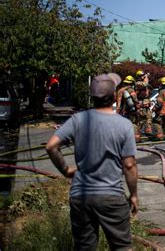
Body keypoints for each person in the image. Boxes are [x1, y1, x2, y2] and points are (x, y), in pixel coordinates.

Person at [45, 73, 138, 250]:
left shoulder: (78, 119)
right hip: (111, 196)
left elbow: (51, 146)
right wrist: (133, 195)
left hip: (81, 197)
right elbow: (129, 165)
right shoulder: (124, 125)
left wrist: (66, 170)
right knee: (122, 247)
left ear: (93, 97)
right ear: (113, 97)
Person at [116, 75, 141, 142]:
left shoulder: (120, 90)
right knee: (133, 123)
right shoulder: (130, 90)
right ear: (132, 82)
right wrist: (138, 106)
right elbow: (135, 100)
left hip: (121, 111)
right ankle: (136, 138)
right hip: (130, 111)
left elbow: (118, 102)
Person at [135, 70, 153, 135]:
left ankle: (148, 131)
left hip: (146, 103)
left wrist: (149, 101)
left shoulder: (143, 83)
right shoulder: (138, 83)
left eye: (143, 75)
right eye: (142, 76)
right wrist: (146, 77)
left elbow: (149, 89)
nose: (143, 77)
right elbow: (145, 84)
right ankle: (137, 133)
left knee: (149, 117)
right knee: (141, 119)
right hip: (141, 103)